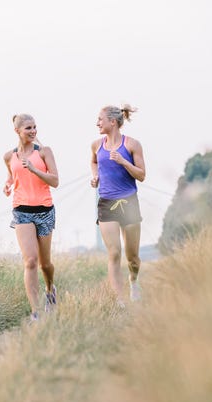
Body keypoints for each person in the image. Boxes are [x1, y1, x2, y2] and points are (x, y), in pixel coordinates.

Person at [3, 113, 59, 321]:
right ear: (17, 131)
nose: (33, 131)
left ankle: (50, 289)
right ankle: (35, 312)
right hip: (21, 211)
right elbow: (12, 176)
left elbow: (55, 181)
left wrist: (35, 170)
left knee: (45, 264)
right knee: (30, 261)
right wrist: (7, 184)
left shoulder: (44, 152)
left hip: (44, 210)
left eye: (35, 127)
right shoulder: (9, 156)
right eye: (28, 128)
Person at [90, 105, 146, 306]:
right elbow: (94, 162)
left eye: (100, 119)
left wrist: (124, 162)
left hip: (129, 202)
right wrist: (95, 176)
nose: (97, 123)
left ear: (112, 122)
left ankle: (133, 281)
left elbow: (141, 175)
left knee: (132, 257)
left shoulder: (132, 145)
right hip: (106, 202)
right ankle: (120, 300)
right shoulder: (96, 145)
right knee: (114, 252)